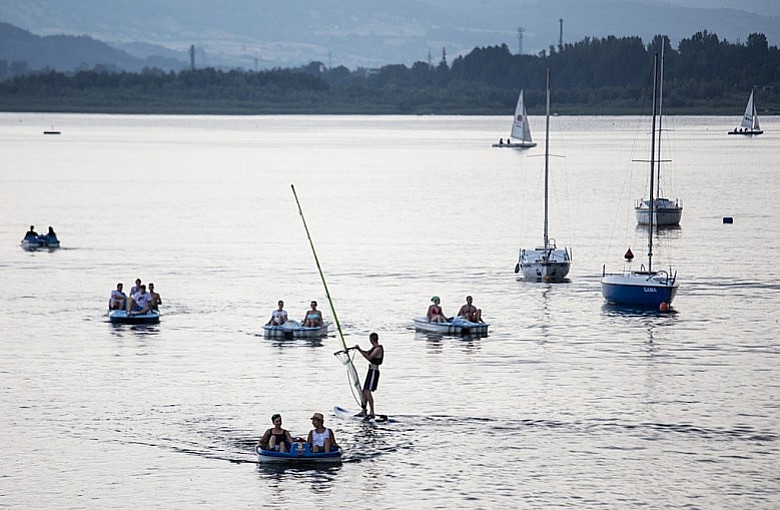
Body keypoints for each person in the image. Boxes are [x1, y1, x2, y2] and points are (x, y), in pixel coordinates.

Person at [354, 332, 384, 418]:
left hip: (374, 372)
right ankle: (364, 410)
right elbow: (367, 352)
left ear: (371, 339)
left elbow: (369, 358)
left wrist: (359, 349)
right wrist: (357, 349)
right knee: (364, 391)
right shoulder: (374, 348)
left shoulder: (378, 349)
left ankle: (372, 412)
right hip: (370, 371)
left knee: (367, 391)